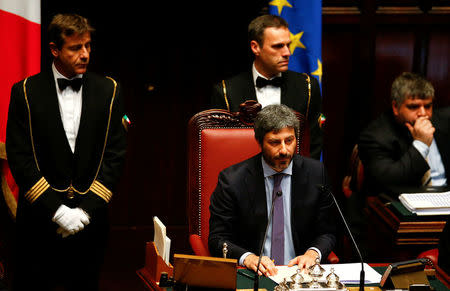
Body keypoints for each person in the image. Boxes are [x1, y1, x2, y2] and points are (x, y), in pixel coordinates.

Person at [6, 14, 127, 290]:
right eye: (75, 48)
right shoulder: (25, 92)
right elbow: (20, 157)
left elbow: (115, 155)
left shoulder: (109, 90)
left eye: (88, 46)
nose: (85, 54)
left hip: (91, 222)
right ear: (54, 50)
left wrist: (83, 213)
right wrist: (58, 211)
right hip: (38, 222)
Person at [208, 104, 336, 276]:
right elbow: (218, 238)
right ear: (260, 142)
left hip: (300, 275)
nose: (284, 150)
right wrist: (248, 258)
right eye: (275, 142)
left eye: (289, 140)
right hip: (254, 274)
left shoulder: (315, 174)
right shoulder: (232, 180)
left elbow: (328, 231)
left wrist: (313, 253)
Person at [210, 14, 323, 160]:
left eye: (288, 45)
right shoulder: (226, 92)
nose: (287, 53)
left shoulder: (307, 87)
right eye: (278, 46)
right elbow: (220, 149)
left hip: (295, 178)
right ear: (255, 47)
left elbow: (313, 144)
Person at [359, 72, 450, 197]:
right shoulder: (375, 137)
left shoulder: (445, 121)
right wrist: (421, 144)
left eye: (428, 106)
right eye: (414, 107)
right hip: (402, 204)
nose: (423, 113)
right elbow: (390, 183)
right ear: (396, 107)